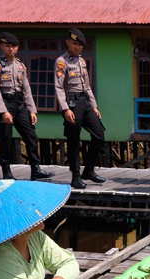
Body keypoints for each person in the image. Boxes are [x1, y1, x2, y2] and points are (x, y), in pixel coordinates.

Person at [0, 32, 54, 181]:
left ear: (17, 48)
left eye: (13, 46)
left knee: (31, 136)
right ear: (2, 47)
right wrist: (4, 111)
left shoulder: (21, 66)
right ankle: (6, 173)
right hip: (5, 105)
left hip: (20, 105)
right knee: (6, 140)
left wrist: (32, 110)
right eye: (7, 46)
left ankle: (36, 170)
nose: (11, 49)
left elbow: (26, 89)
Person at [55, 29, 106, 189]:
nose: (78, 47)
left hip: (85, 101)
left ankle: (89, 170)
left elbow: (87, 85)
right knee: (74, 141)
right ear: (68, 42)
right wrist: (65, 109)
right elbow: (59, 87)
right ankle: (75, 176)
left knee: (99, 134)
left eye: (80, 45)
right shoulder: (61, 61)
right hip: (72, 103)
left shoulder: (81, 62)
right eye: (75, 44)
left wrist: (94, 105)